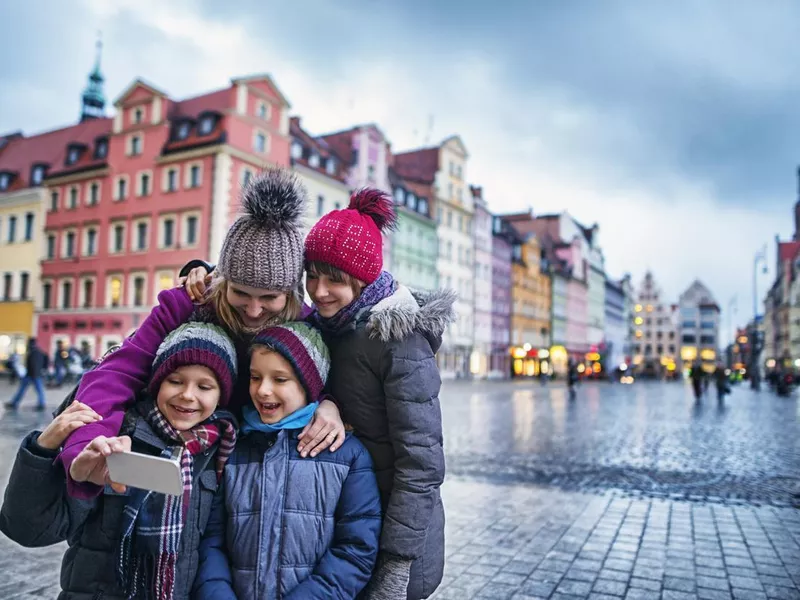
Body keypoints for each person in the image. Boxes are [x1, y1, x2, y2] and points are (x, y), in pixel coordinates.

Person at [58, 168, 345, 500]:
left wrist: (329, 404)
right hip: (177, 469)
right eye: (240, 293)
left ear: (291, 294)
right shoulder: (186, 305)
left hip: (246, 482)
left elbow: (333, 380)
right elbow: (116, 374)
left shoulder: (305, 327)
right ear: (221, 279)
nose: (253, 310)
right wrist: (86, 445)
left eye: (269, 298)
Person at [0, 322, 239, 599]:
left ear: (221, 396)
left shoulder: (218, 451)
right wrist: (43, 450)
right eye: (175, 380)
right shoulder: (111, 438)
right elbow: (28, 530)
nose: (187, 394)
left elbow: (212, 544)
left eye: (205, 386)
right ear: (156, 383)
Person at [303, 189, 453, 600]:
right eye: (311, 275)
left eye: (334, 279)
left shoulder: (397, 339)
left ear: (363, 278)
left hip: (395, 540)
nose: (319, 290)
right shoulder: (329, 327)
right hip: (351, 531)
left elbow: (422, 462)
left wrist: (396, 563)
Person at [194, 322, 382, 598]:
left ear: (308, 385)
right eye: (255, 377)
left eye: (280, 379)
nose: (263, 390)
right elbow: (212, 539)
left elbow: (356, 549)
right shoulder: (233, 447)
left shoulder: (347, 455)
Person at [5, 338, 48, 411]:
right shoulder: (40, 352)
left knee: (24, 389)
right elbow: (45, 361)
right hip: (35, 374)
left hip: (32, 375)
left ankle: (15, 403)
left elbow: (33, 365)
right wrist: (43, 370)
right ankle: (41, 404)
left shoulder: (32, 352)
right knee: (38, 390)